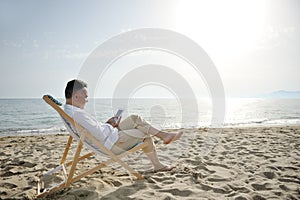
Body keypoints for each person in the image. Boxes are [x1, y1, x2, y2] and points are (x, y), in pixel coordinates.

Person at [64, 79, 183, 172]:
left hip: (109, 136)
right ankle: (158, 162)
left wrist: (108, 124)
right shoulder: (78, 114)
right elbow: (99, 134)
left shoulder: (71, 111)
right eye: (85, 97)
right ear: (76, 96)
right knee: (145, 133)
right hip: (110, 144)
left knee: (135, 119)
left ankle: (163, 137)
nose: (86, 100)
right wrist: (111, 126)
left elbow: (95, 131)